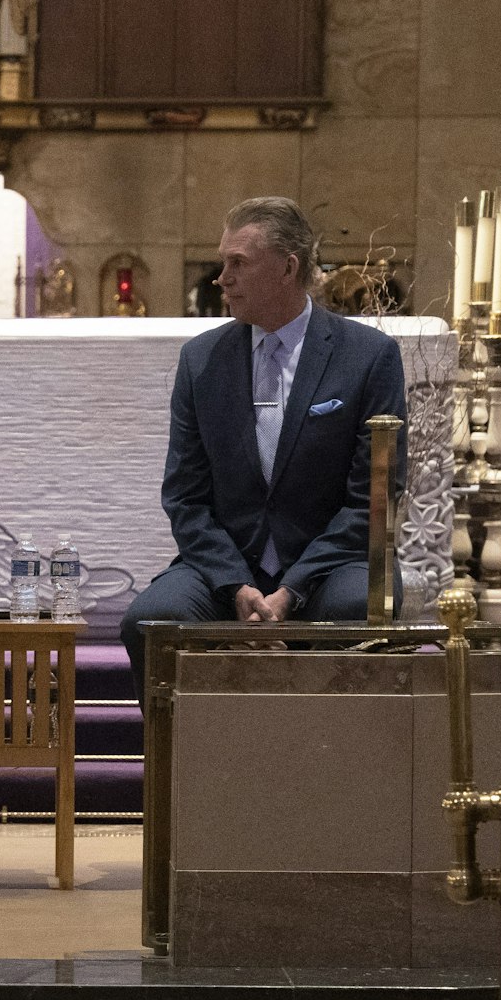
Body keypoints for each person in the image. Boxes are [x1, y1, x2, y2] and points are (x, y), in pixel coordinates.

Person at [120, 197, 408, 700]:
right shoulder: (201, 359)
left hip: (331, 565)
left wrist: (290, 591)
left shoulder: (368, 357)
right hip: (229, 564)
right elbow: (185, 496)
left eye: (238, 263)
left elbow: (374, 499)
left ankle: (332, 769)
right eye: (222, 262)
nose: (221, 278)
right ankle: (183, 774)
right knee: (149, 620)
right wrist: (236, 585)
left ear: (288, 268)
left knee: (353, 610)